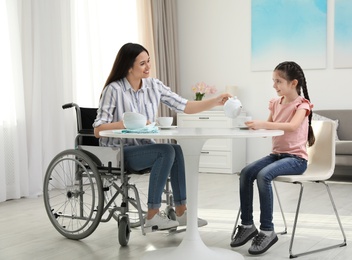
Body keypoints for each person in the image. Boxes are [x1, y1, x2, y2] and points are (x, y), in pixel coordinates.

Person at [93, 43, 231, 230]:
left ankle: (181, 212)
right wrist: (125, 124)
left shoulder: (153, 86)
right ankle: (152, 216)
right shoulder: (114, 90)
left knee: (176, 148)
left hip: (144, 148)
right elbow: (98, 130)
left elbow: (186, 106)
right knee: (166, 150)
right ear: (128, 66)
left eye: (148, 61)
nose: (148, 67)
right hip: (119, 152)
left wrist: (216, 101)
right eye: (142, 63)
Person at [230, 61, 315, 255]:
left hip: (296, 160)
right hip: (276, 156)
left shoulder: (302, 105)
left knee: (263, 175)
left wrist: (262, 124)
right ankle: (247, 225)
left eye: (278, 81)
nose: (274, 85)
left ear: (293, 83)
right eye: (273, 81)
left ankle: (267, 230)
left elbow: (292, 126)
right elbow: (268, 126)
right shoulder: (275, 103)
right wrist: (253, 126)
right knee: (246, 173)